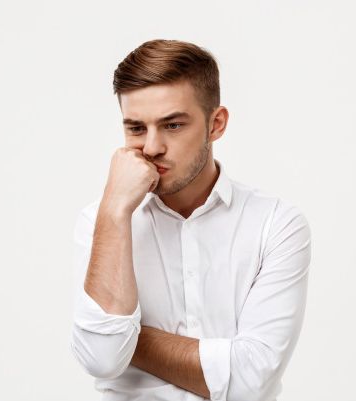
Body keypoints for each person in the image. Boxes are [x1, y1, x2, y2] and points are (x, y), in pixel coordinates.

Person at [70, 39, 311, 401]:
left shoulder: (276, 225)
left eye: (172, 125)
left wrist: (127, 337)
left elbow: (251, 380)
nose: (152, 147)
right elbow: (102, 359)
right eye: (136, 128)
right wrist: (115, 212)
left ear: (216, 124)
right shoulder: (100, 222)